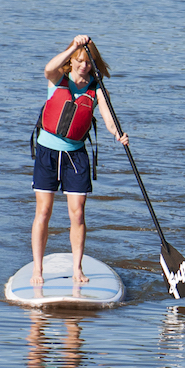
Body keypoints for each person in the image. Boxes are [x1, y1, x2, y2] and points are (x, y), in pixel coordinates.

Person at [31, 35, 129, 285]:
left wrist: (119, 134)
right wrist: (75, 46)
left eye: (88, 61)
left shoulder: (96, 89)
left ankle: (77, 269)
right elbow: (48, 68)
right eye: (79, 60)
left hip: (76, 155)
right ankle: (38, 271)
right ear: (72, 61)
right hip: (48, 153)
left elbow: (107, 118)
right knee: (43, 211)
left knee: (78, 214)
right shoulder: (58, 80)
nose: (83, 65)